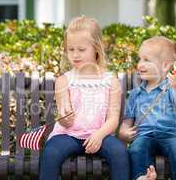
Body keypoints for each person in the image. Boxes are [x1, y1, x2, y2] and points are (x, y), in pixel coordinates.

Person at [39, 16, 130, 180]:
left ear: (96, 48)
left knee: (119, 152)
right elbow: (64, 118)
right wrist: (65, 118)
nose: (75, 55)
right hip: (68, 135)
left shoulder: (111, 81)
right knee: (51, 152)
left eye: (81, 50)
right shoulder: (64, 80)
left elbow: (113, 119)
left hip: (100, 135)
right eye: (70, 49)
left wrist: (99, 135)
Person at [119, 36, 176, 180]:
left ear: (164, 66)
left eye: (146, 60)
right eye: (139, 59)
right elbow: (126, 123)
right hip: (144, 135)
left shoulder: (171, 87)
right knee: (136, 149)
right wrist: (123, 133)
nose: (140, 64)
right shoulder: (136, 94)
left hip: (170, 135)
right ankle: (144, 177)